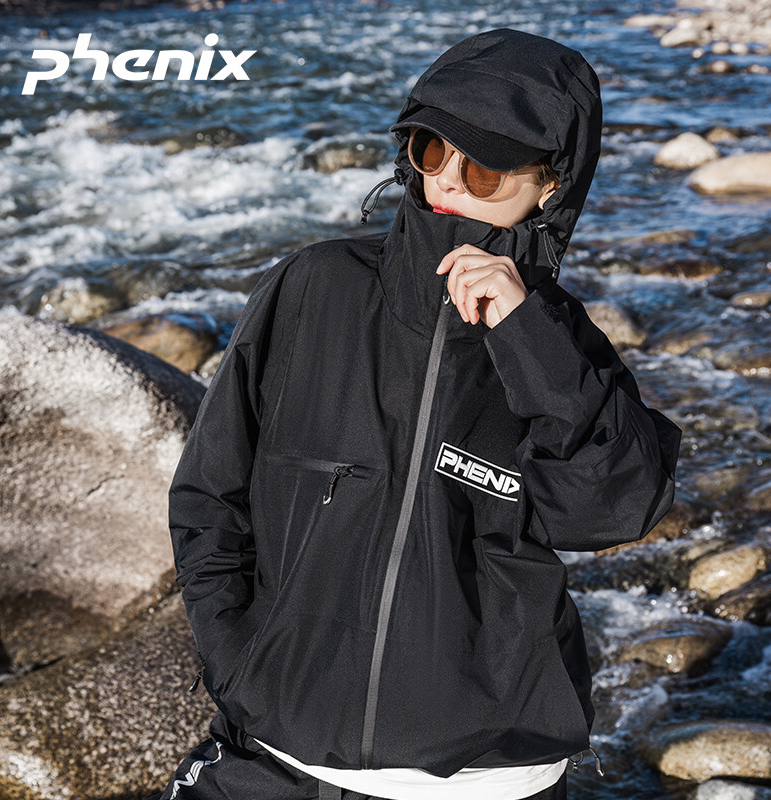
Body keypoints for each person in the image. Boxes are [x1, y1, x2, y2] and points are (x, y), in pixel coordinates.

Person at [151, 28, 682, 800]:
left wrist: (526, 339)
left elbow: (612, 509)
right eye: (432, 150)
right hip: (280, 755)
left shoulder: (561, 348)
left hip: (488, 777)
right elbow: (208, 493)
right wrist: (239, 662)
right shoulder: (315, 286)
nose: (450, 181)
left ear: (552, 185)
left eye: (485, 166)